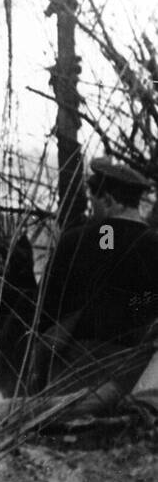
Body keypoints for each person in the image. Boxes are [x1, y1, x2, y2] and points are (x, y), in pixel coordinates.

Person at [34, 158, 158, 409]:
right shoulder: (154, 245)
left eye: (94, 201)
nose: (92, 209)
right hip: (136, 376)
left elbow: (45, 313)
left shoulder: (73, 242)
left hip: (70, 372)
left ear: (110, 200)